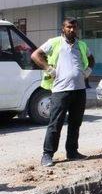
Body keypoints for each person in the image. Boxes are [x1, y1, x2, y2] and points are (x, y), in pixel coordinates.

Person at [31, 17, 95, 167]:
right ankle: (47, 154)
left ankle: (72, 152)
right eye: (68, 27)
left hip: (79, 90)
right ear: (63, 28)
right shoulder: (54, 42)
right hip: (60, 90)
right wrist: (49, 69)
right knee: (55, 123)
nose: (72, 30)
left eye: (74, 27)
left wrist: (88, 71)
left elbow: (91, 59)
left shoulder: (82, 45)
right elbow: (35, 55)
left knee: (75, 123)